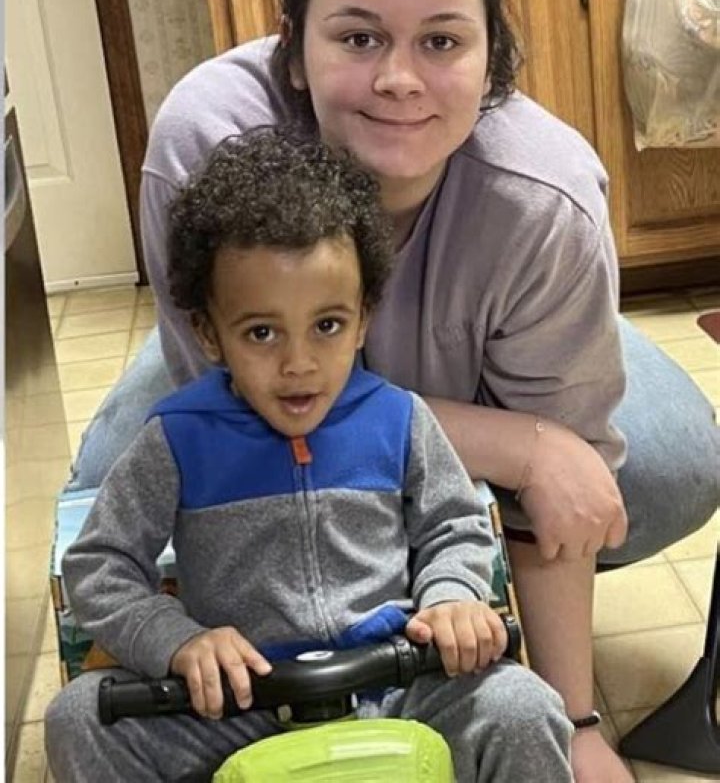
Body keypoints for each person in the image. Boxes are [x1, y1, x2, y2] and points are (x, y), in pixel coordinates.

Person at [66, 0, 719, 781]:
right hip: (240, 390)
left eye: (442, 41)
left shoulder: (543, 195)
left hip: (465, 390)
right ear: (294, 47)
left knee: (657, 469)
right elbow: (225, 423)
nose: (400, 79)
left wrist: (573, 718)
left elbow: (485, 520)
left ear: (494, 56)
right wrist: (518, 446)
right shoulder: (205, 143)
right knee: (116, 490)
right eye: (359, 37)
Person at [45, 129, 573, 783]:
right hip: (239, 704)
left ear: (363, 318)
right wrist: (177, 641)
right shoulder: (176, 439)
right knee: (79, 717)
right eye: (262, 332)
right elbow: (99, 566)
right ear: (209, 333)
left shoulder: (400, 419)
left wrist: (452, 596)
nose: (298, 363)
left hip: (395, 686)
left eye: (327, 325)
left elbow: (454, 526)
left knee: (524, 708)